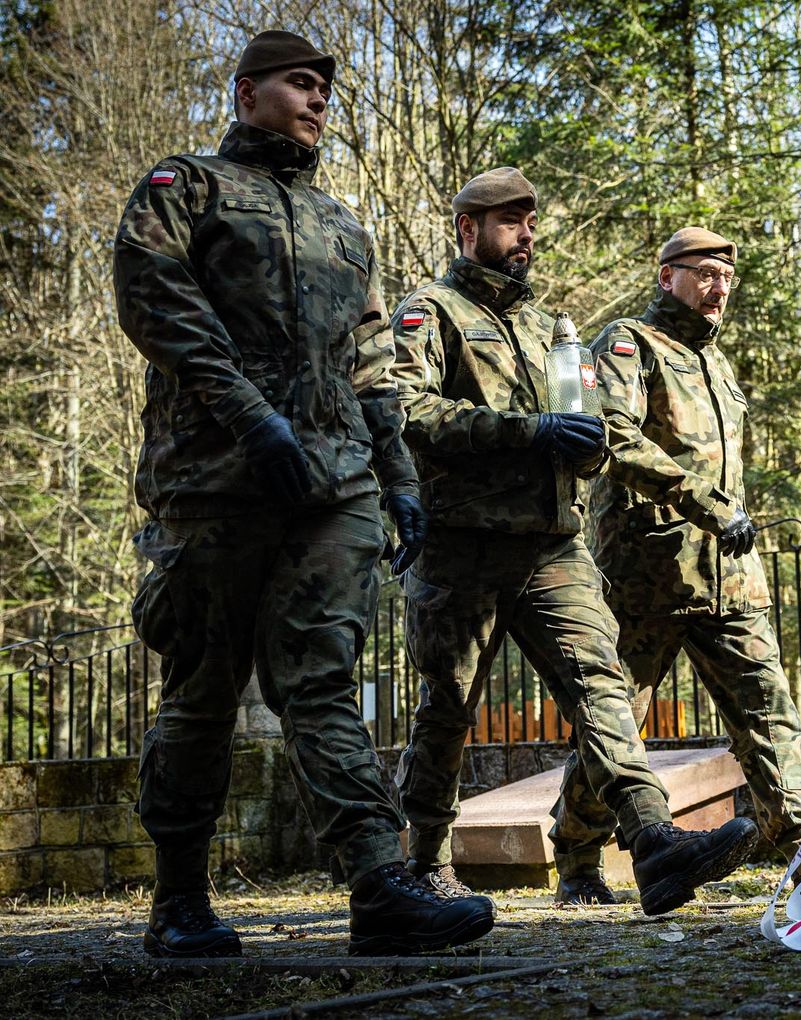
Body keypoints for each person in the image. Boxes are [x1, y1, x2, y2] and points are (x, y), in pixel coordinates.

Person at [114, 30, 495, 957]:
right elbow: (153, 297)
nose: (319, 99)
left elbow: (370, 362)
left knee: (322, 679)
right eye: (299, 83)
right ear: (247, 93)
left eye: (325, 88)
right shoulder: (187, 187)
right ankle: (179, 901)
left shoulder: (341, 225)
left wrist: (398, 478)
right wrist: (252, 418)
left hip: (332, 486)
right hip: (214, 481)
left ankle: (378, 886)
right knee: (204, 687)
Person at [388, 170, 758, 915]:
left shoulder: (548, 328)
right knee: (449, 707)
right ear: (467, 230)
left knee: (602, 688)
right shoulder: (432, 312)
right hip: (463, 547)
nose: (526, 235)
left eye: (531, 223)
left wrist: (583, 448)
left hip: (553, 545)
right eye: (509, 222)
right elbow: (408, 409)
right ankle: (425, 863)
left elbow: (584, 426)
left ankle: (653, 839)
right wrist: (530, 432)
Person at [550, 228, 801, 902]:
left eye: (726, 277)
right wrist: (707, 504)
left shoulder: (717, 362)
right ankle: (578, 857)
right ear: (666, 275)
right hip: (649, 575)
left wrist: (728, 518)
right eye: (704, 273)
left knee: (768, 710)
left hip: (731, 578)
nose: (718, 287)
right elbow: (614, 435)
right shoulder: (630, 344)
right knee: (616, 721)